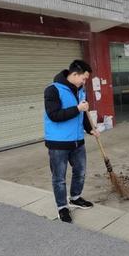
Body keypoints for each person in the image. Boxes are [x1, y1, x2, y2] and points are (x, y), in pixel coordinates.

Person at [44, 60, 100, 223]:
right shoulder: (52, 90)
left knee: (80, 172)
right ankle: (62, 207)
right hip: (58, 143)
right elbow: (54, 115)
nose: (85, 82)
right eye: (84, 78)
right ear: (74, 74)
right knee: (59, 178)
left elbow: (83, 116)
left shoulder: (81, 91)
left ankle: (75, 197)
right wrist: (77, 109)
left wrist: (90, 129)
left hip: (77, 142)